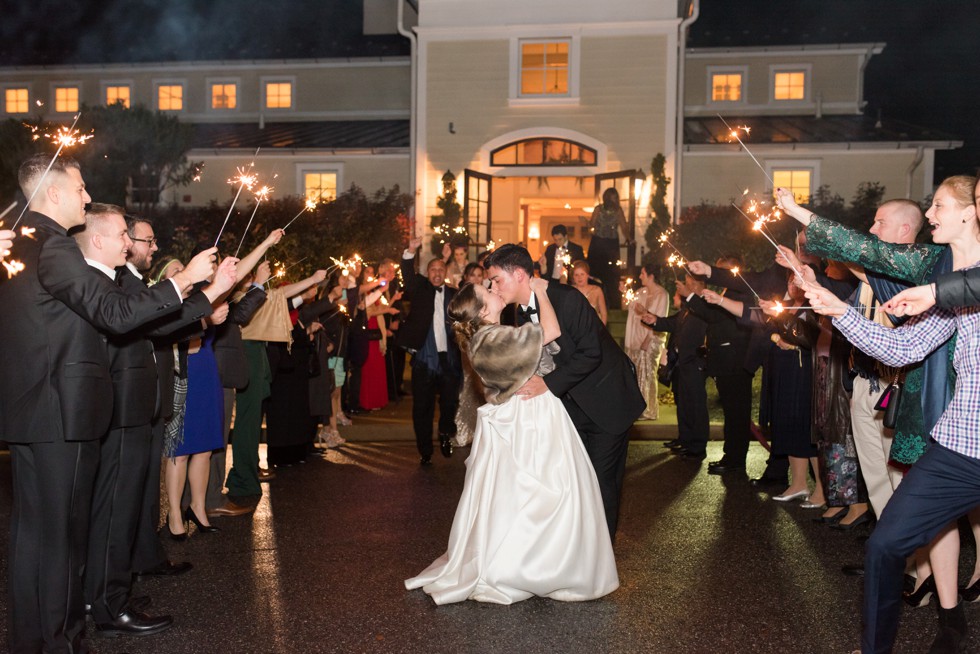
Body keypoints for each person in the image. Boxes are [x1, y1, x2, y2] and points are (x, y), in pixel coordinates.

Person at [0, 154, 217, 652]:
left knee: (36, 537)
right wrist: (180, 284)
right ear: (52, 194)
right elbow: (116, 313)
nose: (85, 194)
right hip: (61, 414)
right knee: (60, 541)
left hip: (37, 412)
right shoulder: (53, 246)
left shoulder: (23, 242)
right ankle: (60, 642)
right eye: (79, 187)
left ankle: (36, 640)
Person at [798, 176, 980, 654]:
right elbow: (902, 347)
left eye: (938, 205)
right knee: (884, 546)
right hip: (960, 448)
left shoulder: (952, 286)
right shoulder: (943, 284)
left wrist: (937, 294)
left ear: (969, 212)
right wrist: (840, 311)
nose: (931, 214)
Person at [405, 279, 618, 604]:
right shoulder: (494, 338)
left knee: (520, 497)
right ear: (483, 309)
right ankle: (532, 567)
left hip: (522, 414)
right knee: (545, 492)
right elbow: (551, 330)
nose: (494, 288)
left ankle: (535, 561)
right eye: (487, 291)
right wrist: (542, 291)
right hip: (529, 419)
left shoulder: (485, 337)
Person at [76, 206, 236, 636]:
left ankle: (112, 592)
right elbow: (144, 321)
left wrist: (213, 289)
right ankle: (107, 604)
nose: (131, 243)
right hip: (119, 406)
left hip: (133, 406)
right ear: (99, 239)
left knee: (124, 507)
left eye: (134, 236)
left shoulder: (118, 278)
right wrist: (192, 285)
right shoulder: (93, 277)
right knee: (112, 509)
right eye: (126, 235)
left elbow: (162, 325)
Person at [485, 244, 644, 536]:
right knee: (576, 482)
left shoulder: (567, 298)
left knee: (600, 482)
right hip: (570, 407)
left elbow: (591, 353)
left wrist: (547, 384)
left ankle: (601, 559)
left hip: (606, 401)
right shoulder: (518, 313)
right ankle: (581, 552)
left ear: (519, 274)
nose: (492, 287)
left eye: (496, 280)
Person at [400, 237, 462, 464]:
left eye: (440, 269)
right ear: (427, 273)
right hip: (424, 358)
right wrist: (410, 251)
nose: (436, 273)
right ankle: (425, 450)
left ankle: (446, 432)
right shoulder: (419, 289)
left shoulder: (454, 294)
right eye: (432, 269)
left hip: (449, 359)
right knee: (422, 407)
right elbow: (407, 272)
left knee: (449, 403)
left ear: (445, 272)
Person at [642, 275, 709, 461]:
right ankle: (686, 441)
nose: (683, 287)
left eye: (688, 284)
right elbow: (673, 323)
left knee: (696, 405)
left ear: (696, 285)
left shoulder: (704, 306)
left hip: (695, 361)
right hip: (682, 362)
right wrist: (655, 320)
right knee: (685, 404)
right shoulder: (688, 309)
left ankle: (698, 446)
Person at [623, 264, 669, 420]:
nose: (640, 276)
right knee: (637, 372)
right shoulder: (640, 292)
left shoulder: (662, 294)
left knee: (648, 372)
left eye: (643, 273)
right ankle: (638, 407)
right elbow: (626, 307)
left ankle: (649, 409)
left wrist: (648, 340)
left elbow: (660, 319)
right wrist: (624, 293)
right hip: (636, 336)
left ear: (651, 276)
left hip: (653, 338)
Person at [586, 188, 630, 310]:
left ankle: (613, 305)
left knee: (612, 275)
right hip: (598, 244)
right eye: (613, 197)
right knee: (595, 273)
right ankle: (592, 303)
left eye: (616, 197)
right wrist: (585, 223)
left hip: (611, 246)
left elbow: (624, 227)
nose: (615, 200)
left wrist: (629, 239)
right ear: (607, 198)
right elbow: (592, 225)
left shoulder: (618, 211)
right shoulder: (598, 209)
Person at [569, 259, 607, 325]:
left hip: (594, 328)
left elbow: (604, 314)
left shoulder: (597, 290)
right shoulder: (570, 291)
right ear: (573, 277)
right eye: (576, 275)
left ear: (587, 275)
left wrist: (601, 331)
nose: (579, 277)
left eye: (582, 274)